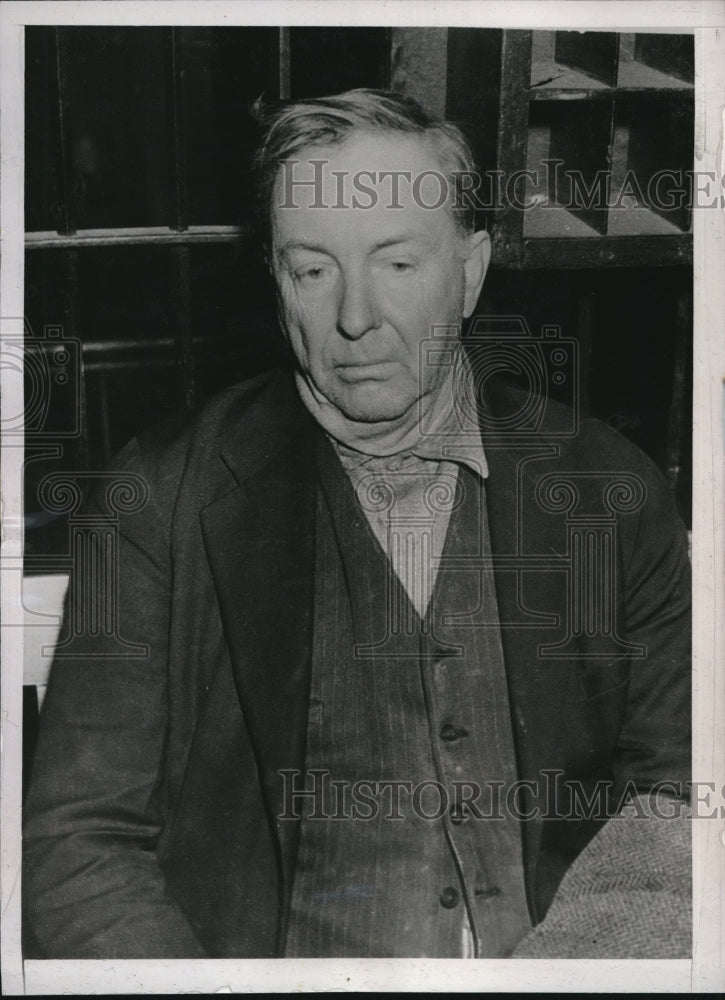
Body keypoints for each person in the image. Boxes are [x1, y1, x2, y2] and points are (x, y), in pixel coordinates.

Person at [23, 89, 691, 960]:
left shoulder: (608, 488)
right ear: (276, 280)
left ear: (472, 272)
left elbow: (676, 801)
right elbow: (78, 845)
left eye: (396, 265)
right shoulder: (154, 496)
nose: (352, 317)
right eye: (312, 268)